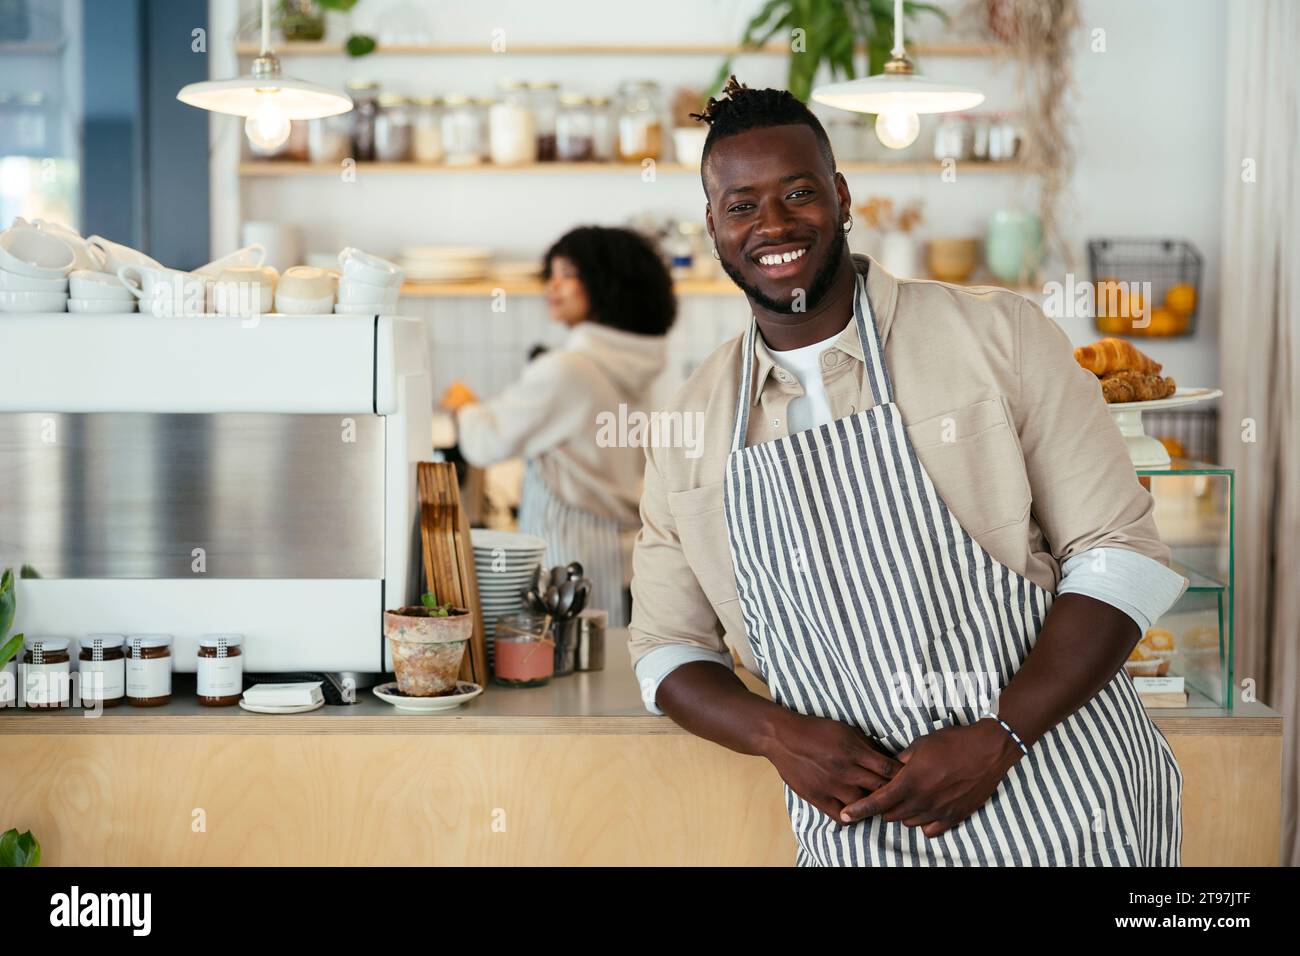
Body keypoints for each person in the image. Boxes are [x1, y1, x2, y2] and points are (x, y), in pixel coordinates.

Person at [627, 77, 1188, 866]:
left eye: (798, 192)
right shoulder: (689, 421)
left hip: (1068, 802)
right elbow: (663, 646)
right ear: (714, 228)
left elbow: (1120, 554)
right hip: (863, 831)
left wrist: (1003, 733)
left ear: (842, 194)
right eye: (742, 204)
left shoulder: (1001, 335)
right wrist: (776, 735)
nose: (774, 224)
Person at [443, 226, 674, 627]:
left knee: (567, 671)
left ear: (606, 283)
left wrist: (465, 406)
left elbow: (484, 442)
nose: (552, 285)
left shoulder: (567, 370)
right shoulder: (639, 365)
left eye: (567, 274)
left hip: (566, 557)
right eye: (551, 273)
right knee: (613, 671)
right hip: (628, 555)